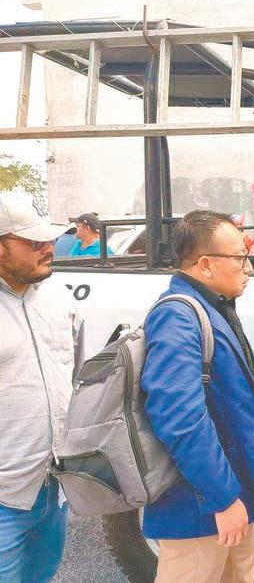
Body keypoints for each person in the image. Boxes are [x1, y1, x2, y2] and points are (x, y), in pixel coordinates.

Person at [141, 210, 254, 583]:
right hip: (200, 509)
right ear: (205, 265)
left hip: (230, 498)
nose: (248, 268)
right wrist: (222, 498)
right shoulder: (178, 317)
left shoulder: (210, 307)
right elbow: (179, 418)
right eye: (240, 258)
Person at [0, 191, 83, 582]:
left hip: (53, 488)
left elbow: (75, 377)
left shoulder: (59, 300)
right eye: (34, 242)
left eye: (49, 238)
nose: (49, 247)